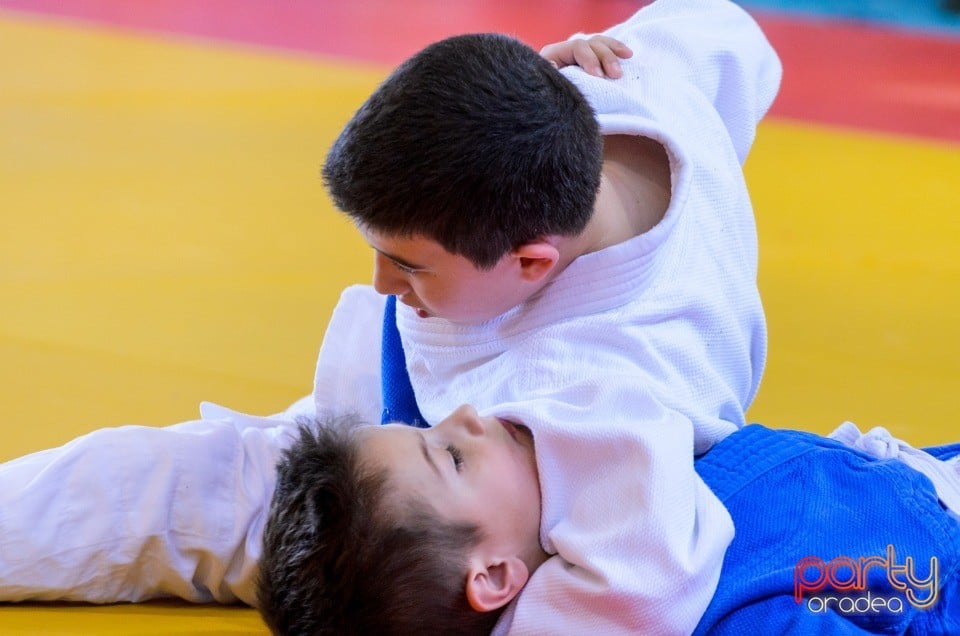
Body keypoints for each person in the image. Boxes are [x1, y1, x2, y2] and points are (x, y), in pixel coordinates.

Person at [3, 1, 778, 632]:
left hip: (435, 514)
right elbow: (729, 34)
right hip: (402, 441)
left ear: (532, 261)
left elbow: (638, 595)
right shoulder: (618, 87)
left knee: (207, 499)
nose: (379, 282)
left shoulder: (604, 397)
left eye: (408, 264)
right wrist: (538, 93)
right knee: (162, 474)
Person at [257, 407, 960, 635]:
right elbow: (899, 589)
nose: (467, 416)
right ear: (496, 575)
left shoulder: (600, 491)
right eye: (451, 456)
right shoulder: (710, 609)